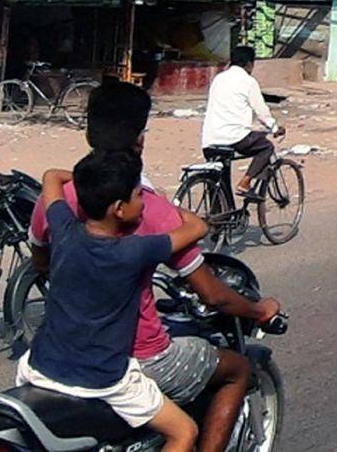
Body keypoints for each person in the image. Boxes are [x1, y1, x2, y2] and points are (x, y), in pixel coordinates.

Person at [30, 81, 282, 452]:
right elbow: (213, 294)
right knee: (237, 370)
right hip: (138, 358)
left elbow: (42, 263)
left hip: (56, 355)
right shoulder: (150, 212)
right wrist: (260, 310)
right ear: (140, 138)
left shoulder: (60, 207)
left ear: (89, 130)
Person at [21, 152, 203, 452]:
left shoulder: (64, 229)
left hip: (39, 367)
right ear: (119, 209)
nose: (143, 202)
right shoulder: (134, 251)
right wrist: (167, 205)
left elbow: (52, 174)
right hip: (103, 379)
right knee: (184, 432)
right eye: (137, 195)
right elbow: (197, 227)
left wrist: (95, 185)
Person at [201, 46, 286, 196]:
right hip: (234, 137)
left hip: (210, 138)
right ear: (249, 64)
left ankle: (221, 216)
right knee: (266, 147)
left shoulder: (218, 79)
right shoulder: (248, 81)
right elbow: (261, 111)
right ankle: (246, 182)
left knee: (220, 182)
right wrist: (274, 128)